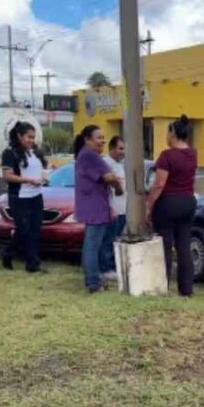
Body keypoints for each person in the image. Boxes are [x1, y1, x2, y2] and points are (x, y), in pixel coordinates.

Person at [146, 115, 198, 298]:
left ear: (172, 134)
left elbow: (159, 184)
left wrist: (149, 206)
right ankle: (186, 290)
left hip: (168, 204)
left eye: (167, 133)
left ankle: (163, 287)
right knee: (184, 247)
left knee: (165, 248)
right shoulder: (193, 153)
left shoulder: (166, 155)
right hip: (188, 203)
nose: (166, 137)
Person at [73, 125, 123, 293]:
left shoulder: (86, 156)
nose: (102, 141)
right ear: (88, 139)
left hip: (93, 205)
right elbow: (109, 177)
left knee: (91, 244)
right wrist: (117, 184)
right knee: (93, 245)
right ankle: (94, 282)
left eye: (103, 137)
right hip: (95, 206)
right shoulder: (90, 156)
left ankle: (92, 277)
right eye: (98, 137)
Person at [0, 122, 48, 273]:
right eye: (29, 137)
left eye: (33, 137)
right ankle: (8, 253)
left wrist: (43, 178)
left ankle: (32, 263)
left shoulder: (34, 152)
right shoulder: (10, 152)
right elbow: (8, 176)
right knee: (23, 229)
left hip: (36, 195)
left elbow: (39, 170)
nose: (32, 140)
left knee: (35, 230)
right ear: (19, 136)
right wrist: (28, 180)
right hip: (20, 197)